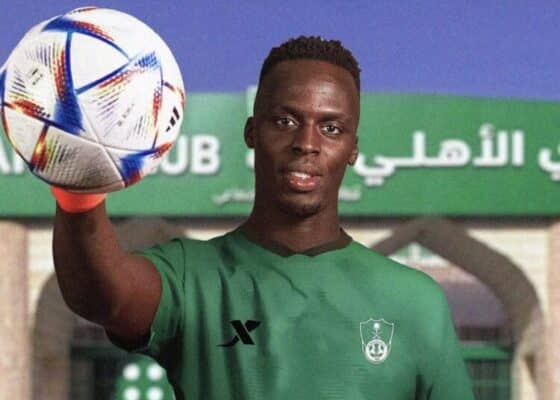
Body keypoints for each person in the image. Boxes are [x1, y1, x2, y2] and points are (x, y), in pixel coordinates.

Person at [52, 36, 475, 399]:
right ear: (252, 132)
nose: (306, 143)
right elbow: (102, 295)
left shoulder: (415, 301)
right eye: (285, 121)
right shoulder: (191, 276)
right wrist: (78, 184)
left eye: (330, 128)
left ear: (353, 149)